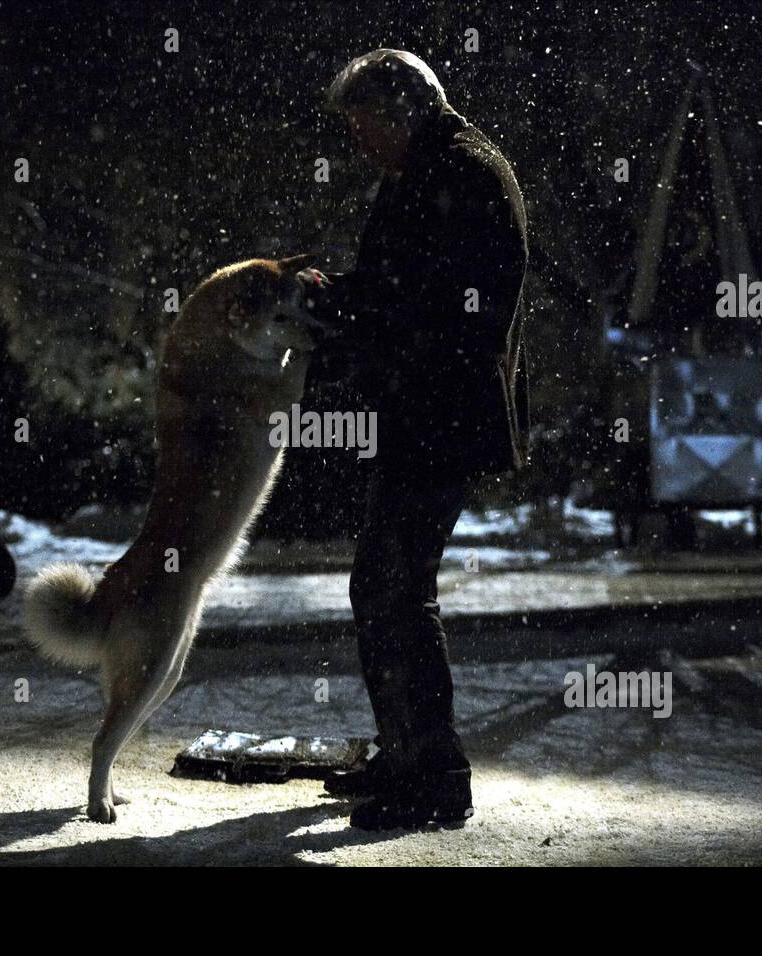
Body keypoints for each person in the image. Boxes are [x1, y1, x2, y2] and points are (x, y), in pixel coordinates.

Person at [313, 49, 530, 829]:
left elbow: (445, 305)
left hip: (440, 415)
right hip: (426, 411)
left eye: (364, 124)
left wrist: (355, 311)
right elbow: (401, 286)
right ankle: (406, 752)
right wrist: (341, 297)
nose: (359, 142)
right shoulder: (431, 167)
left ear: (402, 111)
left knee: (395, 589)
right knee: (387, 587)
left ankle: (433, 772)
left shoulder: (460, 173)